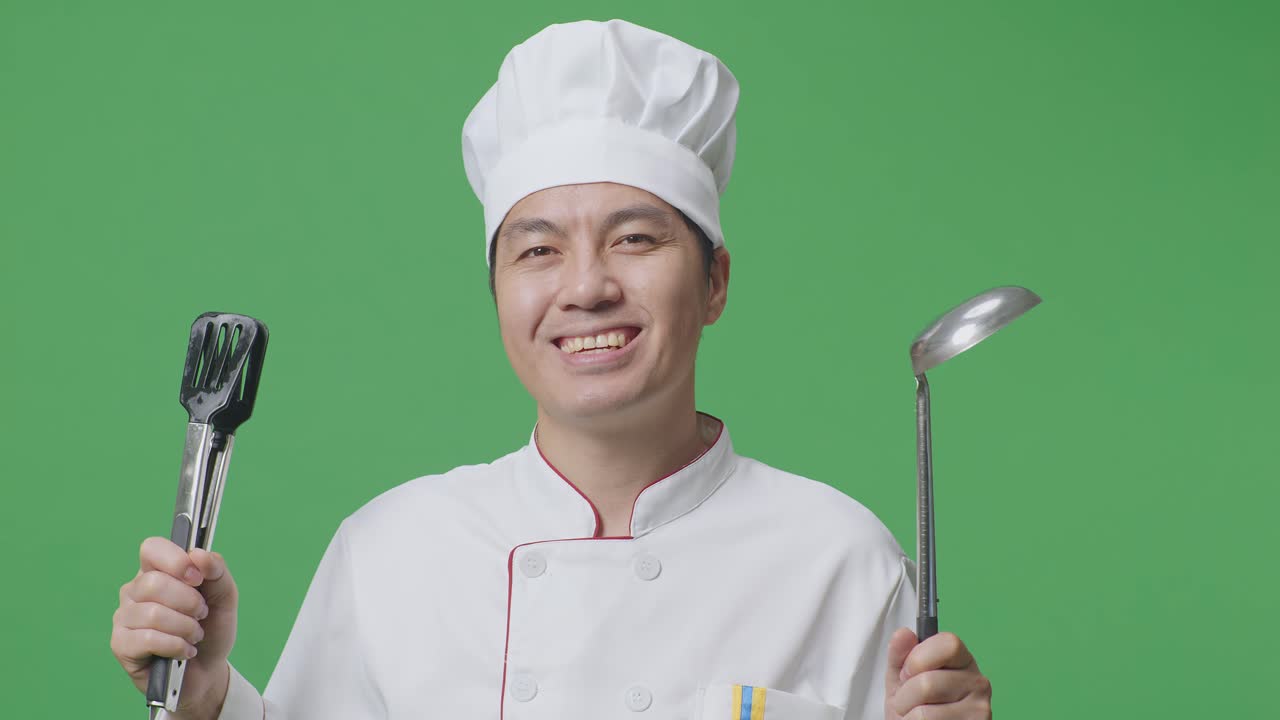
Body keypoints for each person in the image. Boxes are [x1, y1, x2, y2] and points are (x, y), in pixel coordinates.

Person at [111, 18, 993, 720]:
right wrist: (205, 705)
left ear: (715, 280)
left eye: (637, 238)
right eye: (538, 251)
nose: (587, 287)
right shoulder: (391, 552)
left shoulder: (838, 558)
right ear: (497, 292)